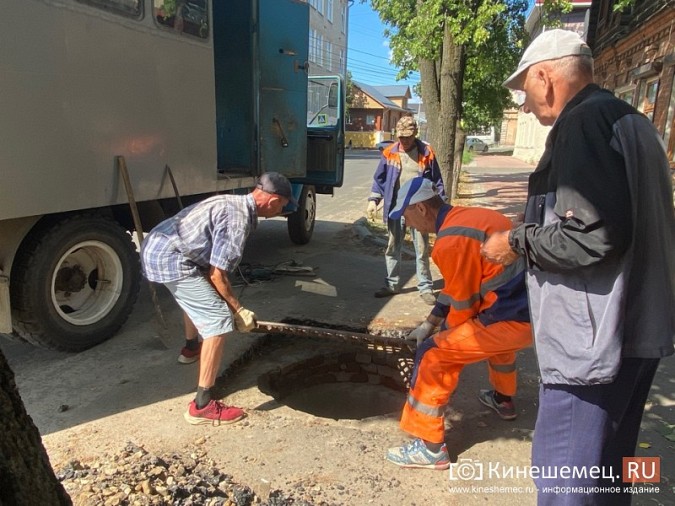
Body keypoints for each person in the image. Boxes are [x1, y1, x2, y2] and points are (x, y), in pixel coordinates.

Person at [480, 29, 674, 504]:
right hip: (636, 332)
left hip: (592, 348)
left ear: (546, 78)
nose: (524, 107)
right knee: (610, 479)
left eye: (524, 91)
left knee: (567, 484)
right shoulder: (631, 120)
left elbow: (594, 236)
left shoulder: (582, 124)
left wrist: (516, 240)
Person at [385, 177, 531, 469]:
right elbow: (458, 284)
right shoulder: (472, 218)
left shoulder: (449, 243)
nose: (409, 224)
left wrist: (439, 338)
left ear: (423, 209)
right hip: (531, 312)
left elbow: (463, 305)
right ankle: (503, 400)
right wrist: (429, 322)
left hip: (509, 319)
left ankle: (430, 448)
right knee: (498, 349)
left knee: (433, 356)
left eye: (407, 216)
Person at [141, 172, 295, 425]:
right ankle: (201, 405)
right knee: (217, 320)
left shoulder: (232, 201)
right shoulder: (238, 219)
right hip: (170, 257)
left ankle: (191, 349)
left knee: (198, 299)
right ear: (272, 200)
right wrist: (238, 310)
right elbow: (218, 275)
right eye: (282, 206)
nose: (280, 211)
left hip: (161, 246)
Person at [367, 116, 445, 306]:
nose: (404, 141)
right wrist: (373, 200)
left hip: (420, 210)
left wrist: (441, 209)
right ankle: (392, 284)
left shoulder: (426, 153)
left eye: (408, 137)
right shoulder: (389, 153)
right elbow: (380, 180)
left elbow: (437, 182)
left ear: (415, 134)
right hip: (396, 207)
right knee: (393, 246)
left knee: (422, 248)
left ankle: (425, 287)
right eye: (401, 137)